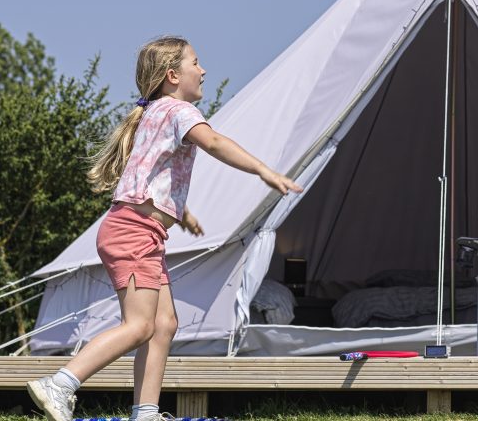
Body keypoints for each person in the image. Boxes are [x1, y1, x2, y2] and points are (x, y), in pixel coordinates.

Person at [26, 36, 302, 421]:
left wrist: (180, 212)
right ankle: (60, 383)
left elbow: (151, 174)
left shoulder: (156, 112)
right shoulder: (177, 110)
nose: (203, 70)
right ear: (173, 75)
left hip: (139, 229)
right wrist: (263, 170)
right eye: (196, 63)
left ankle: (146, 411)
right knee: (139, 326)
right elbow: (215, 142)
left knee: (164, 324)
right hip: (133, 232)